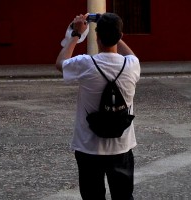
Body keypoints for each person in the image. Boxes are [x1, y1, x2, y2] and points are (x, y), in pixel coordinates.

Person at [57, 12, 142, 198]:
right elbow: (131, 55)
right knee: (124, 197)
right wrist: (114, 31)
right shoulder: (132, 65)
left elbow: (60, 63)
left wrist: (76, 34)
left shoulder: (86, 64)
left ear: (96, 37)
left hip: (89, 146)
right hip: (122, 145)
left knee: (92, 196)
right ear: (120, 36)